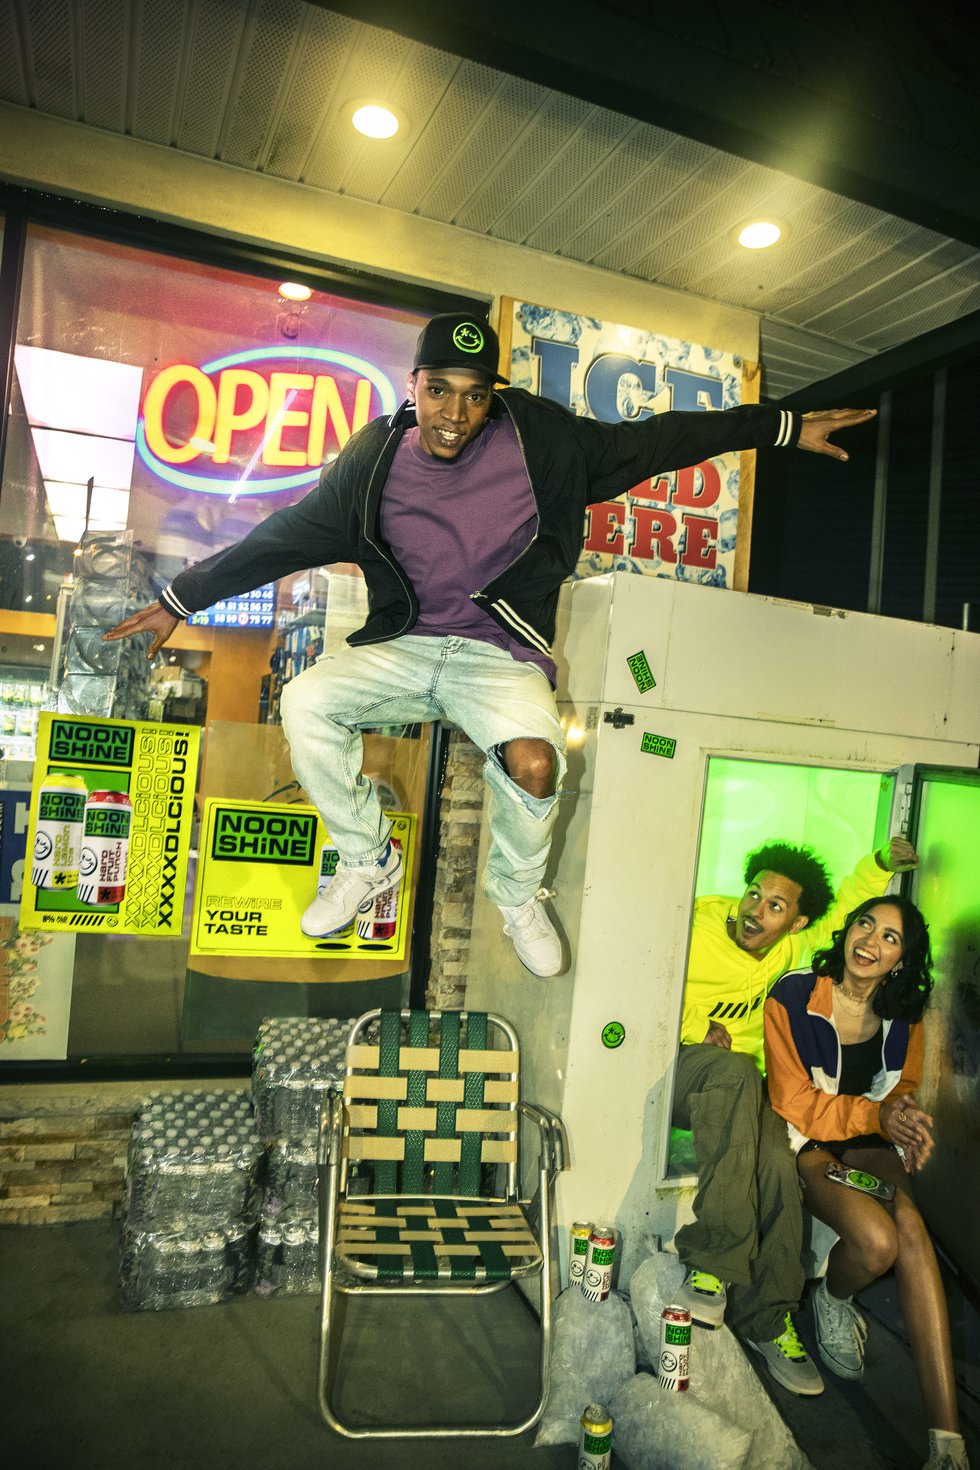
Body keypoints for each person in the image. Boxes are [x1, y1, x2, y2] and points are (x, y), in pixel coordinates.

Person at [106, 312, 875, 977]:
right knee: (308, 700)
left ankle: (516, 895)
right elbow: (284, 537)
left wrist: (777, 428)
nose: (455, 413)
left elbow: (659, 441)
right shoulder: (371, 462)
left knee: (537, 764)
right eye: (440, 390)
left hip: (498, 653)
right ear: (414, 386)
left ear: (492, 399)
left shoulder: (547, 445)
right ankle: (369, 860)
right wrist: (181, 599)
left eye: (476, 396)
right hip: (408, 643)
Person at [671, 834, 918, 1397]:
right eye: (753, 895)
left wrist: (879, 863)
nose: (755, 911)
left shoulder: (788, 952)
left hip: (742, 1091)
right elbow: (638, 979)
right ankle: (713, 1259)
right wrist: (691, 1028)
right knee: (735, 1071)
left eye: (775, 906)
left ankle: (769, 1317)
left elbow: (846, 908)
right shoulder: (695, 926)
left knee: (779, 1166)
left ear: (797, 923)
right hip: (682, 1074)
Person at [765, 896, 969, 1470]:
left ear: (901, 960)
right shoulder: (793, 995)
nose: (870, 942)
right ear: (847, 930)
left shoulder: (905, 1010)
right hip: (808, 1142)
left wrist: (907, 1126)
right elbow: (795, 1103)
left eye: (890, 939)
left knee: (908, 1227)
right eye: (865, 925)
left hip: (867, 1137)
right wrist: (879, 1117)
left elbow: (902, 1083)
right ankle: (833, 1298)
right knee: (875, 1244)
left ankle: (947, 1445)